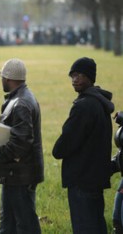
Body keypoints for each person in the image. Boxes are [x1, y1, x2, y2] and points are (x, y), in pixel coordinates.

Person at [53, 57, 114, 234]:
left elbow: (62, 146)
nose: (74, 79)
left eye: (79, 75)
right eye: (72, 76)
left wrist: (57, 149)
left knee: (85, 227)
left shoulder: (84, 107)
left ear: (90, 77)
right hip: (95, 178)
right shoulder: (100, 103)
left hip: (82, 179)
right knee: (97, 225)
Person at [0, 58, 44, 234]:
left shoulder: (21, 103)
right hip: (15, 174)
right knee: (9, 225)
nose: (1, 80)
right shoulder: (20, 98)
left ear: (8, 79)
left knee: (25, 225)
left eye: (2, 77)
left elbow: (21, 142)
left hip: (20, 175)